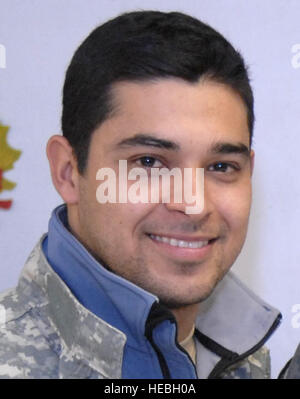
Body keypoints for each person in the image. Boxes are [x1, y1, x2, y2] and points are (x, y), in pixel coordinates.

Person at [0, 10, 281, 379]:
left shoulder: (247, 362)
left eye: (221, 166)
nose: (193, 205)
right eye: (149, 162)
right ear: (68, 172)